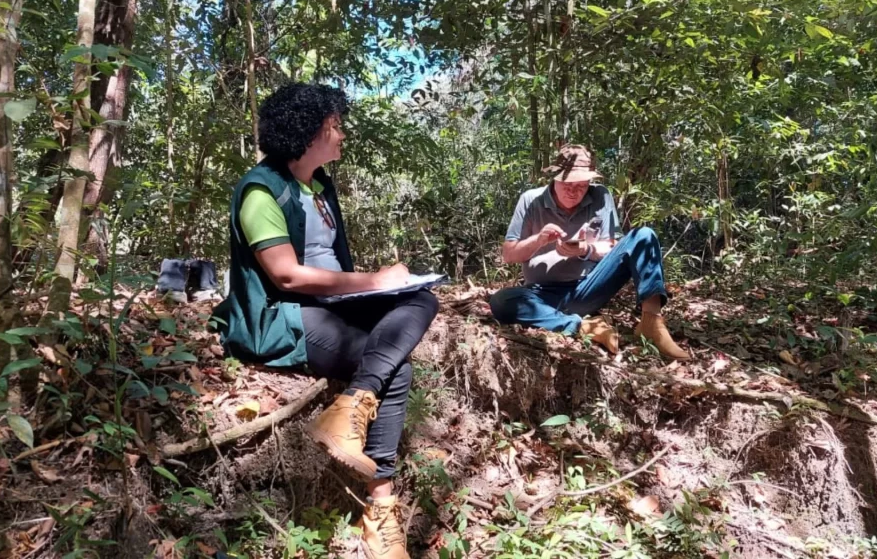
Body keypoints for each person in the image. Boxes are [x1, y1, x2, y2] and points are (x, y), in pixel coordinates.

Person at [213, 82, 437, 559]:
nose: (341, 135)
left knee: (422, 299)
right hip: (281, 315)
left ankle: (351, 404)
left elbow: (331, 263)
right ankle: (380, 508)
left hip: (332, 305)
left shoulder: (319, 186)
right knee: (398, 368)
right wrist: (374, 280)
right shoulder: (260, 190)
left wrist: (380, 285)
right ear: (308, 133)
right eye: (335, 127)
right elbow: (288, 276)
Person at [489, 144, 689, 359]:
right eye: (568, 185)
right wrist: (539, 240)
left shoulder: (601, 196)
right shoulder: (531, 200)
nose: (574, 192)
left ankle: (652, 322)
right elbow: (509, 255)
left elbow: (614, 247)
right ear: (556, 177)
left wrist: (586, 249)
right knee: (502, 301)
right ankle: (581, 326)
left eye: (582, 186)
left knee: (644, 235)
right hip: (542, 293)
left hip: (589, 287)